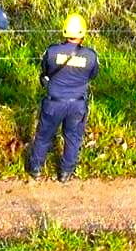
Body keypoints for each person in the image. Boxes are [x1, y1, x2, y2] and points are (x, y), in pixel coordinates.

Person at [27, 13, 100, 182]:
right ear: (83, 33)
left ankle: (36, 169)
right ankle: (66, 172)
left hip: (53, 103)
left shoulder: (52, 51)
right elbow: (93, 75)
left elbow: (44, 71)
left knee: (44, 136)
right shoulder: (90, 56)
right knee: (73, 138)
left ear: (65, 32)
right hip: (77, 104)